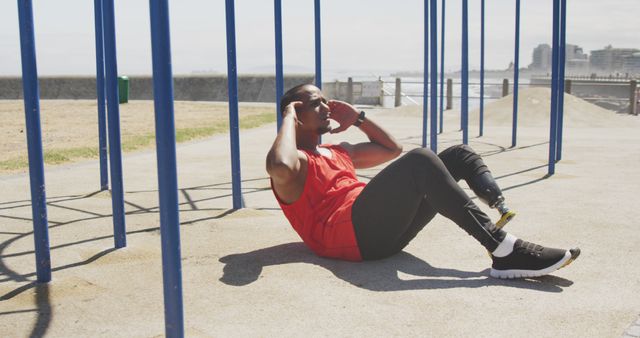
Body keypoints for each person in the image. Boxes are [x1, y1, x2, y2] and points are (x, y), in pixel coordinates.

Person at [266, 84, 580, 279]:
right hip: (349, 238)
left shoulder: (338, 151)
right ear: (295, 115)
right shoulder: (296, 166)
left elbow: (391, 149)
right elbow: (278, 164)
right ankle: (503, 249)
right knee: (420, 160)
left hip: (381, 234)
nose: (326, 107)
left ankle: (497, 205)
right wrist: (287, 117)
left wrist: (359, 118)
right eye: (314, 102)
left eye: (325, 100)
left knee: (458, 154)